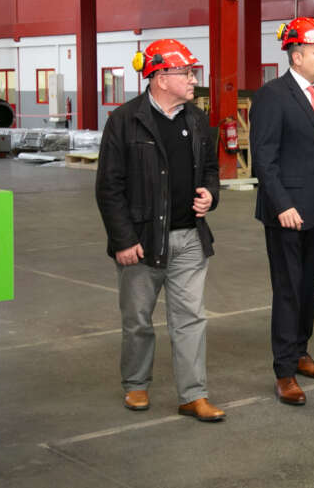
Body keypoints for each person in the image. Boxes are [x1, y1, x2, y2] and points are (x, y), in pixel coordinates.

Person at [95, 38, 225, 422]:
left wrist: (210, 196)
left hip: (189, 238)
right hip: (141, 241)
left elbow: (212, 170)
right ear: (159, 77)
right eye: (185, 72)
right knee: (137, 318)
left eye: (191, 72)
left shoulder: (197, 119)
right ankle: (136, 384)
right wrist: (123, 239)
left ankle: (193, 395)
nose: (192, 79)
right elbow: (109, 186)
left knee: (190, 319)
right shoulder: (125, 120)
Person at [250, 17, 314, 406]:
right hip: (286, 212)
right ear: (297, 55)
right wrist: (282, 203)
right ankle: (284, 370)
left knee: (307, 288)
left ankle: (301, 351)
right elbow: (264, 160)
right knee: (287, 291)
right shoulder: (273, 95)